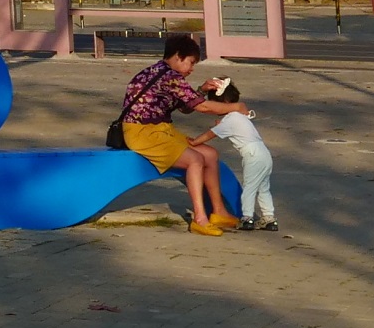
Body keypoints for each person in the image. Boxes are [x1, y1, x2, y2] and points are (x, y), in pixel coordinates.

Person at [117, 33, 245, 233]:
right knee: (195, 160)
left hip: (160, 129)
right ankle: (200, 219)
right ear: (178, 56)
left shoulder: (162, 72)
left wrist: (201, 90)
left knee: (210, 154)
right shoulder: (170, 76)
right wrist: (235, 107)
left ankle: (219, 211)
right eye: (191, 63)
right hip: (142, 133)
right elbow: (202, 108)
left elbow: (187, 107)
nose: (192, 69)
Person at [205, 76, 276, 229]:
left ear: (223, 104)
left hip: (251, 154)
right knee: (263, 188)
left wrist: (194, 142)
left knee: (249, 187)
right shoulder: (239, 116)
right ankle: (269, 218)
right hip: (264, 153)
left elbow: (210, 134)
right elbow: (227, 126)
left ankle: (247, 217)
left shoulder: (230, 119)